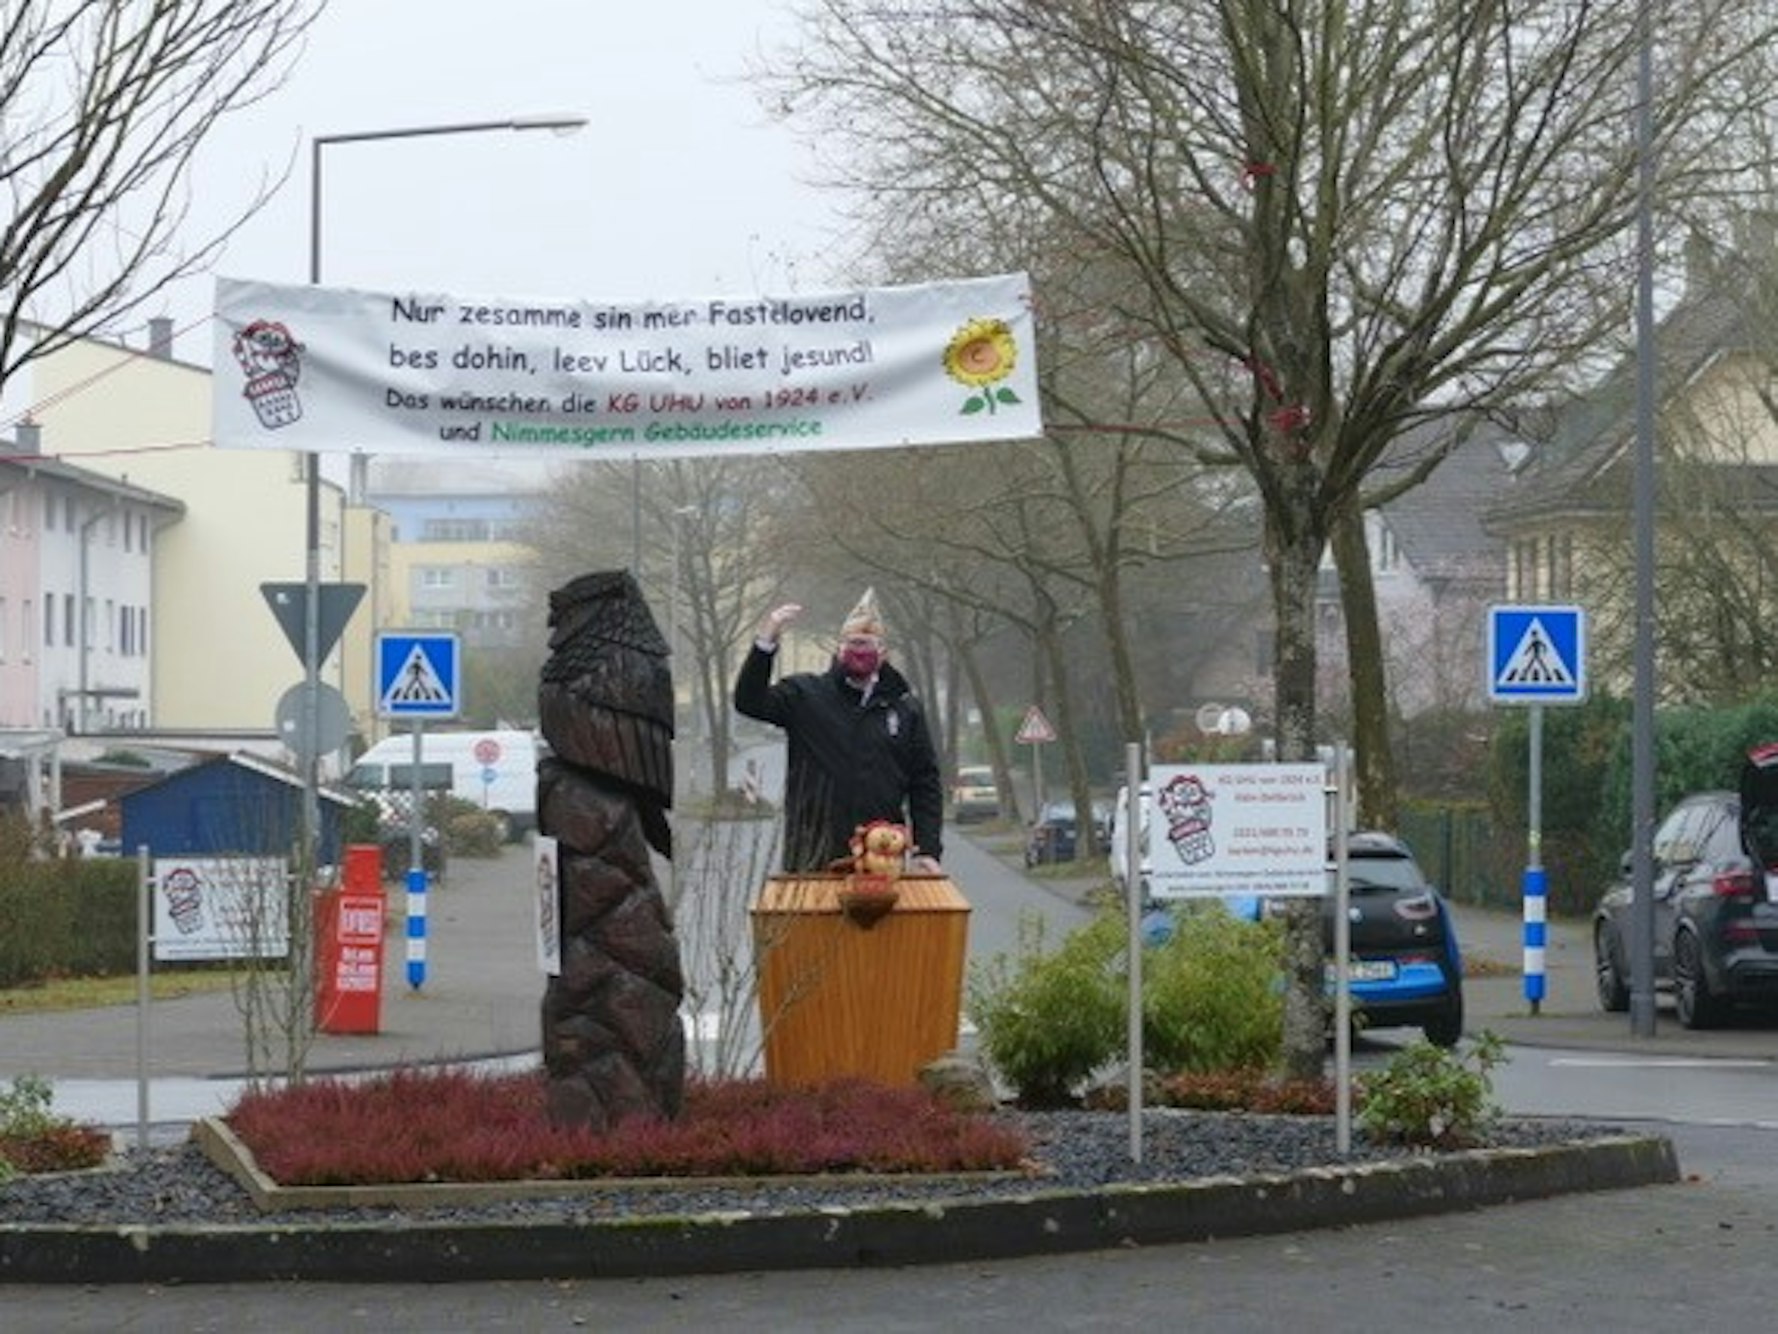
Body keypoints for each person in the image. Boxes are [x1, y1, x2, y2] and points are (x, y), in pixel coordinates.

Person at [734, 588, 945, 874]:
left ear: (883, 652)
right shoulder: (804, 696)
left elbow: (925, 783)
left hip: (881, 858)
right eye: (853, 642)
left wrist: (927, 849)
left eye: (868, 643)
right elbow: (749, 701)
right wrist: (765, 644)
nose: (860, 650)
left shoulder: (905, 709)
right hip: (812, 858)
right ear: (839, 649)